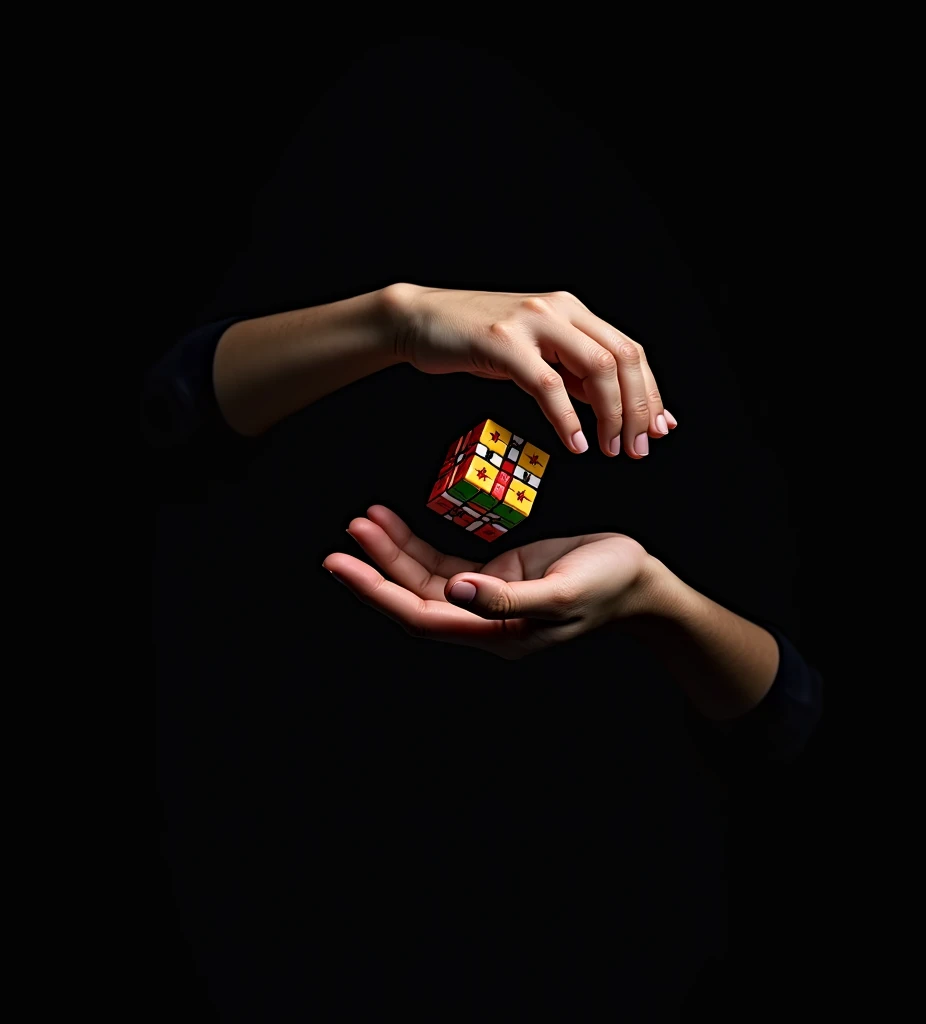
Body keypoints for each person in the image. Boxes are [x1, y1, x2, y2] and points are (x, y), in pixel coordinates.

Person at [147, 37, 822, 1018]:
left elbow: (787, 720)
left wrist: (653, 598)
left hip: (621, 911)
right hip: (270, 853)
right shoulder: (351, 142)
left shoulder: (699, 338)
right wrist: (396, 320)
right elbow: (167, 419)